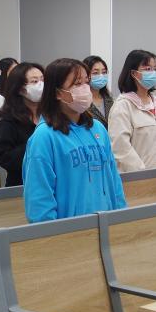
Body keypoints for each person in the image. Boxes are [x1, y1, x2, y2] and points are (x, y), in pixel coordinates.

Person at [23, 58, 126, 223]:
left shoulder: (98, 129)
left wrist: (121, 218)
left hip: (105, 225)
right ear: (57, 92)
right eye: (77, 83)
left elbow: (114, 180)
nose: (85, 89)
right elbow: (39, 199)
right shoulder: (44, 137)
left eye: (86, 82)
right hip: (70, 231)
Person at [108, 49, 156, 173]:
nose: (153, 73)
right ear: (134, 73)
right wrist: (143, 174)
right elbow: (120, 148)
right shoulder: (123, 105)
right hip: (136, 177)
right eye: (148, 69)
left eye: (155, 69)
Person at [0, 62, 44, 186]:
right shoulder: (8, 121)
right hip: (21, 185)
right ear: (20, 88)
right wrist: (35, 144)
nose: (41, 85)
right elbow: (5, 159)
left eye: (42, 80)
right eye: (34, 81)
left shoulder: (51, 116)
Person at [84, 55, 113, 128]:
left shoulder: (110, 99)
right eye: (95, 73)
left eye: (104, 72)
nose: (101, 76)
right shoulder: (82, 102)